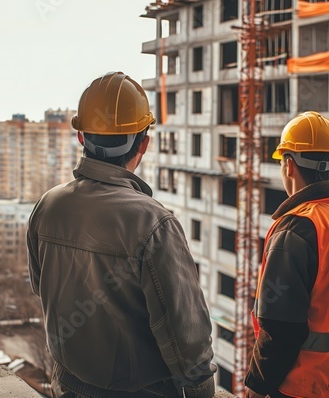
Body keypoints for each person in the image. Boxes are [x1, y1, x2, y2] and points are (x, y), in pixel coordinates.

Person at [27, 71, 215, 398]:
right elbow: (186, 336)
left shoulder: (49, 206)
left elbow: (39, 285)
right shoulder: (154, 223)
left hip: (68, 386)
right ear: (144, 143)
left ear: (81, 137)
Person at [244, 112, 329, 398]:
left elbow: (280, 329)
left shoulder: (295, 230)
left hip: (306, 387)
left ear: (289, 165)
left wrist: (257, 387)